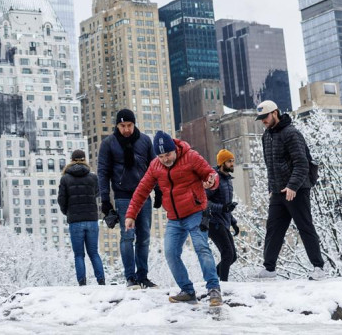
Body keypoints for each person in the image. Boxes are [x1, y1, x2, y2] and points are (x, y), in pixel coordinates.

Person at [125, 131, 222, 306]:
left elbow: (211, 175)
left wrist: (211, 182)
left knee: (202, 248)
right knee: (170, 253)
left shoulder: (191, 157)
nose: (165, 159)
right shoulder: (155, 165)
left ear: (174, 149)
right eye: (161, 156)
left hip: (195, 212)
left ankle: (213, 289)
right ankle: (187, 290)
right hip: (174, 218)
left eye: (168, 154)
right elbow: (142, 190)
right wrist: (131, 214)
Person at [254, 100, 326, 280]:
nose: (263, 120)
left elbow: (301, 163)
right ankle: (269, 269)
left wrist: (292, 186)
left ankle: (319, 268)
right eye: (261, 118)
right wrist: (272, 188)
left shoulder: (291, 133)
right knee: (273, 228)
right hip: (278, 191)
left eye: (265, 117)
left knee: (304, 226)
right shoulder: (267, 136)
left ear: (275, 113)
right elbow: (270, 165)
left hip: (297, 189)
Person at [98, 109, 157, 288]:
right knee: (127, 236)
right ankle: (130, 277)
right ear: (117, 125)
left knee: (144, 237)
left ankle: (143, 276)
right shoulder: (108, 143)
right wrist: (105, 201)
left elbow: (156, 167)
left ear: (134, 124)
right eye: (122, 126)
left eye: (129, 125)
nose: (126, 129)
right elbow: (103, 172)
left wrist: (160, 191)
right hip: (123, 196)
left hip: (144, 195)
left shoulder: (145, 141)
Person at [58, 149, 106, 286]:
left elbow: (62, 199)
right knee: (94, 253)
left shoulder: (65, 178)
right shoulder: (93, 177)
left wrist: (67, 212)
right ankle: (101, 281)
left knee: (79, 255)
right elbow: (97, 194)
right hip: (91, 219)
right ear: (84, 159)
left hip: (75, 221)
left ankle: (82, 282)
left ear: (72, 160)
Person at [205, 149, 239, 281]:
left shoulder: (228, 180)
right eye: (229, 161)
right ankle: (223, 284)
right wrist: (223, 208)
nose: (232, 164)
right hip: (213, 222)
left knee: (233, 256)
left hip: (224, 222)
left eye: (233, 161)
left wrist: (233, 222)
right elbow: (205, 202)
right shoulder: (215, 179)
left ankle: (212, 278)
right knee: (228, 254)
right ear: (221, 163)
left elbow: (227, 205)